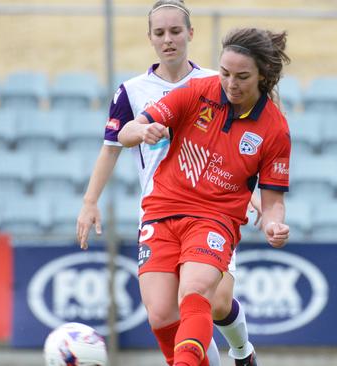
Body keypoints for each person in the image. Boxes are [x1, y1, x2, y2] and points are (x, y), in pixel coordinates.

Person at [76, 2, 261, 365]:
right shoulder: (131, 92)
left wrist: (251, 191)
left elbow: (240, 144)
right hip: (160, 212)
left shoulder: (218, 83)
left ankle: (242, 350)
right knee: (168, 314)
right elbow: (112, 146)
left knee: (215, 302)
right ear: (149, 38)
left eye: (175, 31)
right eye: (159, 33)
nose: (168, 40)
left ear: (191, 33)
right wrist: (90, 201)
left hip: (212, 209)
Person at [116, 26, 291, 366]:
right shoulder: (197, 91)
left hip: (215, 218)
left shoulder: (275, 129)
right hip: (161, 211)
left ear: (263, 76)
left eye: (242, 76)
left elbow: (272, 202)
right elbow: (125, 133)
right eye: (225, 73)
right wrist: (142, 130)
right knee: (161, 315)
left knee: (197, 294)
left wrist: (274, 224)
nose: (230, 83)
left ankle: (233, 353)